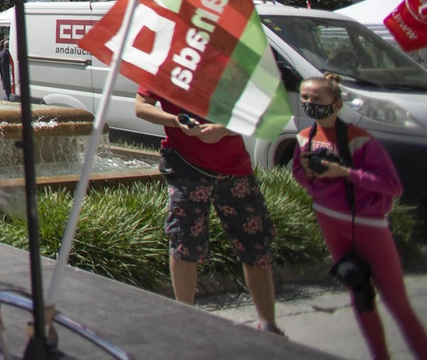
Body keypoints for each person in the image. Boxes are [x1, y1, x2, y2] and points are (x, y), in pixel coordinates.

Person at [292, 72, 427, 358]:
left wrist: (345, 172)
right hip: (329, 220)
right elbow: (300, 178)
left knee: (397, 303)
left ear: (336, 104)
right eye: (305, 98)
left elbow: (393, 186)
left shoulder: (360, 139)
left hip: (368, 225)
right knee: (360, 295)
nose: (309, 103)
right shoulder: (305, 138)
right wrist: (308, 171)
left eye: (317, 99)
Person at [133, 89, 280, 335]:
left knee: (255, 245)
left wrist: (224, 129)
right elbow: (140, 107)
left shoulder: (232, 66)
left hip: (235, 169)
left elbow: (259, 114)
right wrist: (176, 121)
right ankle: (187, 322)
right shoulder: (166, 64)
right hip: (185, 167)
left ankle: (269, 327)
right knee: (184, 244)